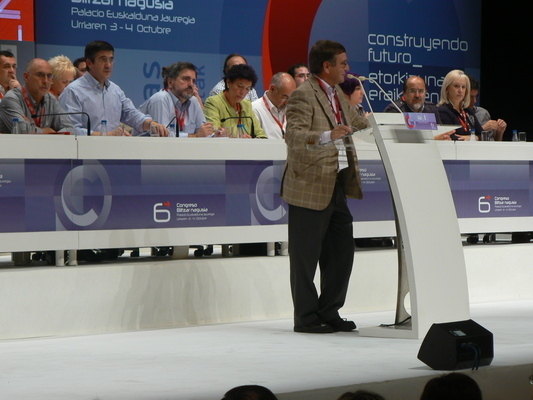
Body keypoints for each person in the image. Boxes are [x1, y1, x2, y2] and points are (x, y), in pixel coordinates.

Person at [281, 39, 369, 333]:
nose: (348, 69)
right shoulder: (303, 95)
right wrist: (328, 135)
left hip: (336, 183)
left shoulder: (337, 94)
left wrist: (383, 121)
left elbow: (358, 122)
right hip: (309, 183)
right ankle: (305, 318)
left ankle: (329, 311)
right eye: (343, 63)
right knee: (305, 258)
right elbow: (293, 136)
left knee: (342, 252)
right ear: (327, 66)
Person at [59, 40, 167, 136]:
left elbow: (131, 114)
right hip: (84, 153)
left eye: (111, 60)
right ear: (89, 63)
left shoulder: (115, 90)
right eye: (103, 60)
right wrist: (104, 135)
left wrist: (151, 124)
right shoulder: (73, 91)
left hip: (113, 152)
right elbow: (70, 130)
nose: (108, 65)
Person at [137, 61, 214, 137]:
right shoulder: (161, 99)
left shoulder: (193, 101)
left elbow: (204, 132)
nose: (191, 84)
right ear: (170, 82)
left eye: (193, 81)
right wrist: (195, 136)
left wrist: (215, 135)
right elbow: (163, 136)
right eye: (186, 79)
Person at [0, 58, 74, 134]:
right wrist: (47, 131)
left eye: (49, 76)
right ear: (26, 77)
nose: (45, 81)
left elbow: (71, 129)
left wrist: (32, 128)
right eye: (40, 75)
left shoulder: (51, 99)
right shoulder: (12, 99)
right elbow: (22, 131)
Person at [204, 64, 266, 138]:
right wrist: (237, 140)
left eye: (247, 89)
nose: (243, 92)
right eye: (240, 86)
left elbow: (261, 136)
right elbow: (214, 133)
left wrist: (252, 140)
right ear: (229, 83)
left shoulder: (247, 105)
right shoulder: (213, 102)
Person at [384, 76, 454, 140]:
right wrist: (433, 139)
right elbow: (395, 140)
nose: (417, 95)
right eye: (412, 91)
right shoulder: (395, 110)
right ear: (404, 93)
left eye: (421, 91)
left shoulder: (432, 109)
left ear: (425, 92)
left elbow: (440, 133)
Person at [437, 69, 482, 140]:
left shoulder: (468, 111)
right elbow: (449, 137)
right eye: (456, 86)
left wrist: (471, 138)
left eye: (463, 87)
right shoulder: (442, 111)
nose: (460, 90)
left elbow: (482, 135)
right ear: (447, 89)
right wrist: (474, 138)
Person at [252, 72, 296, 139]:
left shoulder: (291, 110)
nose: (287, 102)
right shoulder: (255, 109)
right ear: (272, 89)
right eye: (285, 97)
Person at [468, 75, 506, 140]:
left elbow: (493, 143)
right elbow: (460, 139)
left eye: (476, 96)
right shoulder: (457, 115)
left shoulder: (483, 113)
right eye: (471, 97)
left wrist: (499, 132)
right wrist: (482, 129)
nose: (474, 101)